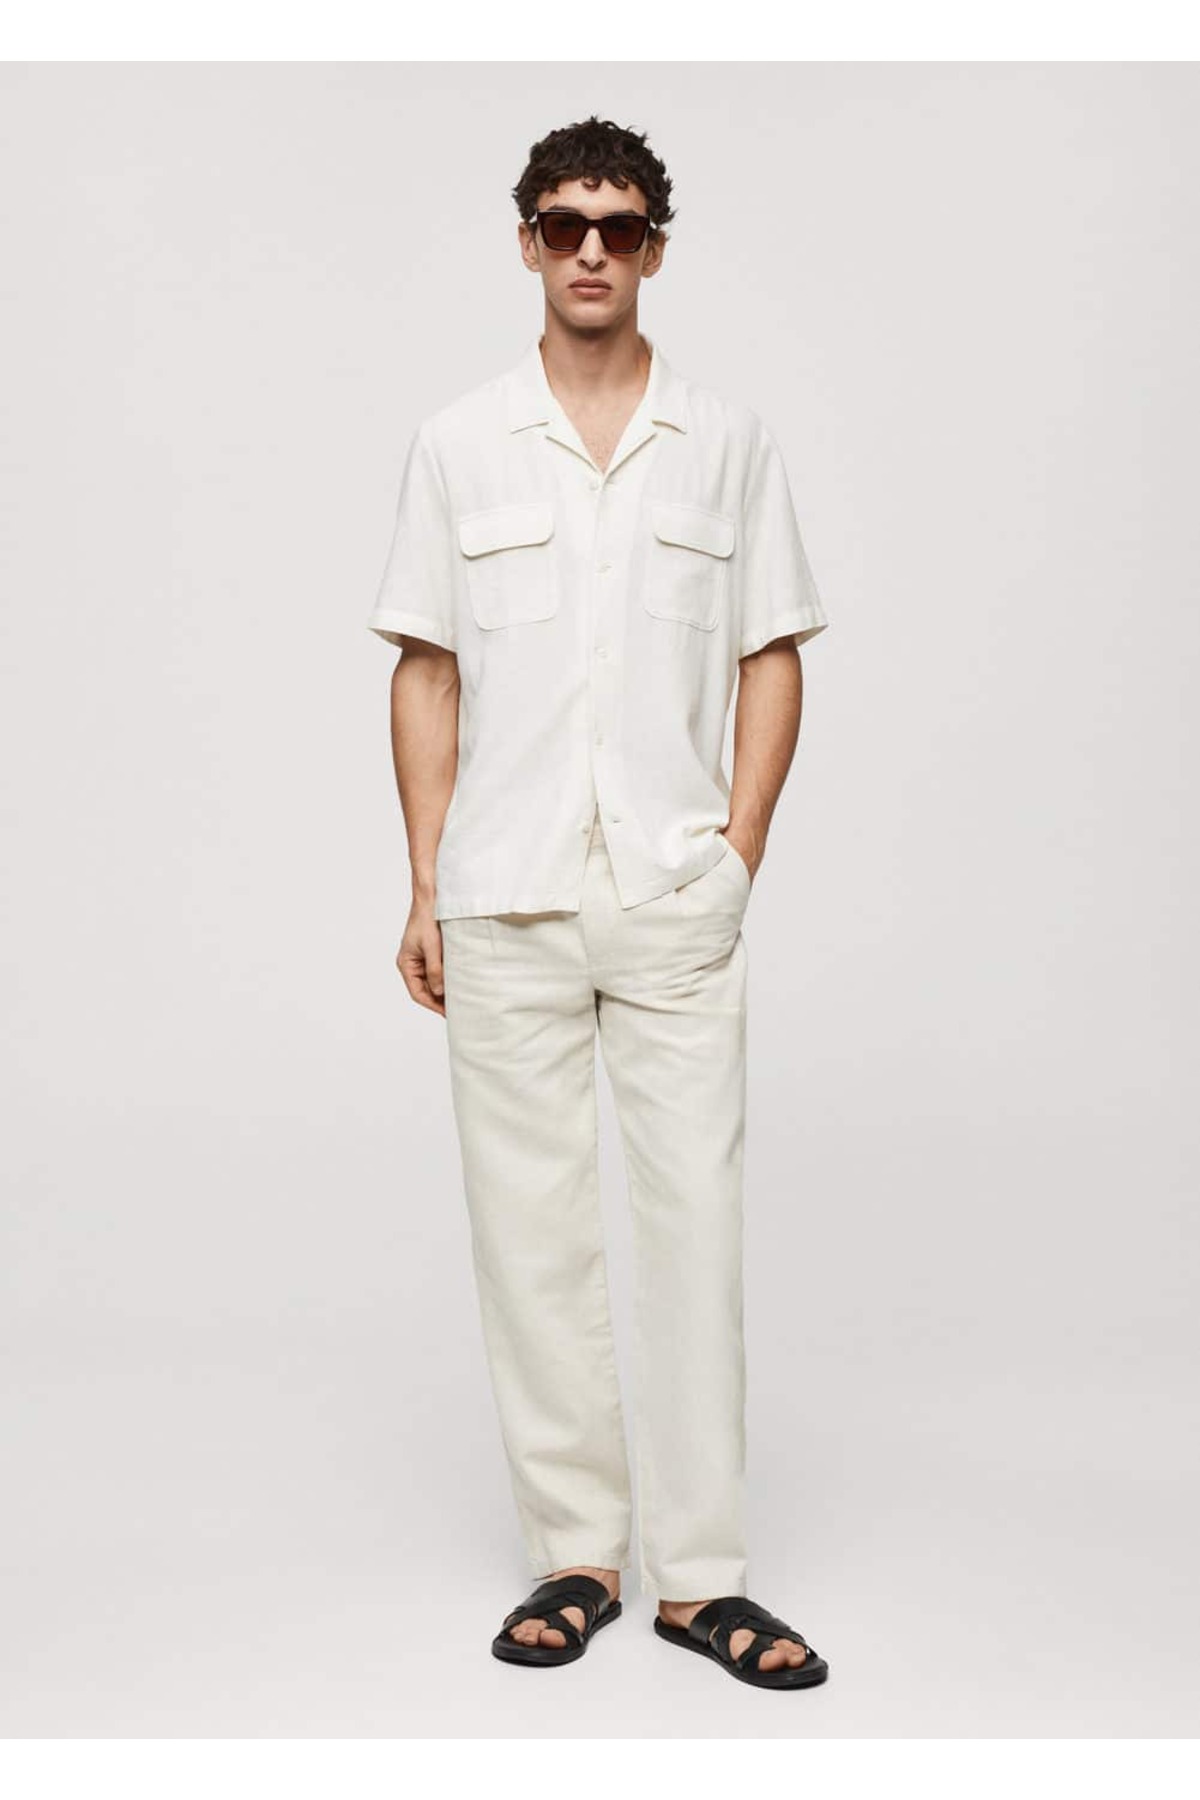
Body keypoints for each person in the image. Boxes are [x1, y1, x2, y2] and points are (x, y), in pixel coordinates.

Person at [367, 115, 831, 1691]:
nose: (588, 250)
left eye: (617, 227)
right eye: (563, 223)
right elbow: (426, 669)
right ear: (526, 242)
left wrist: (738, 849)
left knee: (696, 1228)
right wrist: (425, 883)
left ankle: (703, 1582)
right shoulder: (459, 443)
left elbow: (772, 653)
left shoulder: (728, 441)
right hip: (502, 896)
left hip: (672, 893)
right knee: (531, 1238)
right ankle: (577, 1554)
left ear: (652, 251)